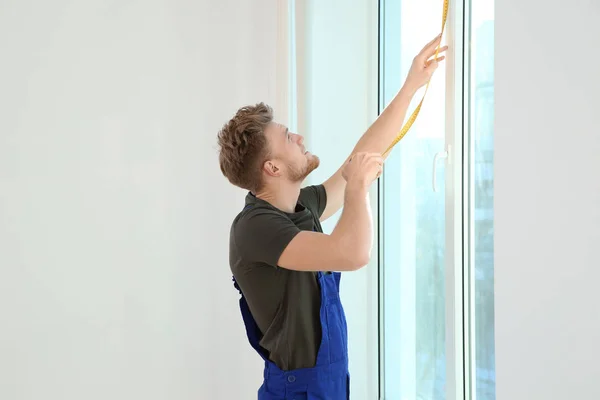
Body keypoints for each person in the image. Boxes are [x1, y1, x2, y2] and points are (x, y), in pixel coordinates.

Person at [217, 35, 447, 399]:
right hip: (300, 392)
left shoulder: (299, 207)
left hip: (329, 383)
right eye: (289, 137)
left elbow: (361, 155)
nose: (300, 137)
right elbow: (351, 252)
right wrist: (357, 188)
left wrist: (411, 86)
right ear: (273, 167)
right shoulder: (254, 229)